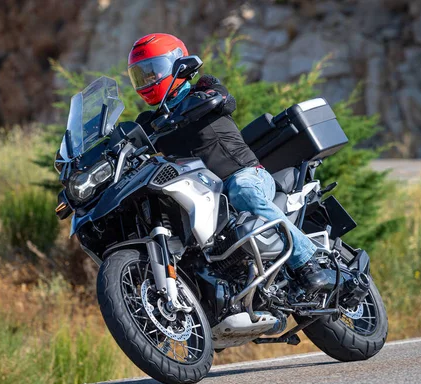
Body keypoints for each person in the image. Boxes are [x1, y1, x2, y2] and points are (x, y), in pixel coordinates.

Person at [127, 33, 322, 288]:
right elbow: (127, 139)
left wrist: (205, 99)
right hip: (204, 193)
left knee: (242, 191)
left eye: (153, 71)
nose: (149, 80)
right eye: (142, 75)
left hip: (245, 175)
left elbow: (223, 98)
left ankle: (307, 261)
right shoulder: (150, 122)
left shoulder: (203, 88)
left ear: (176, 66)